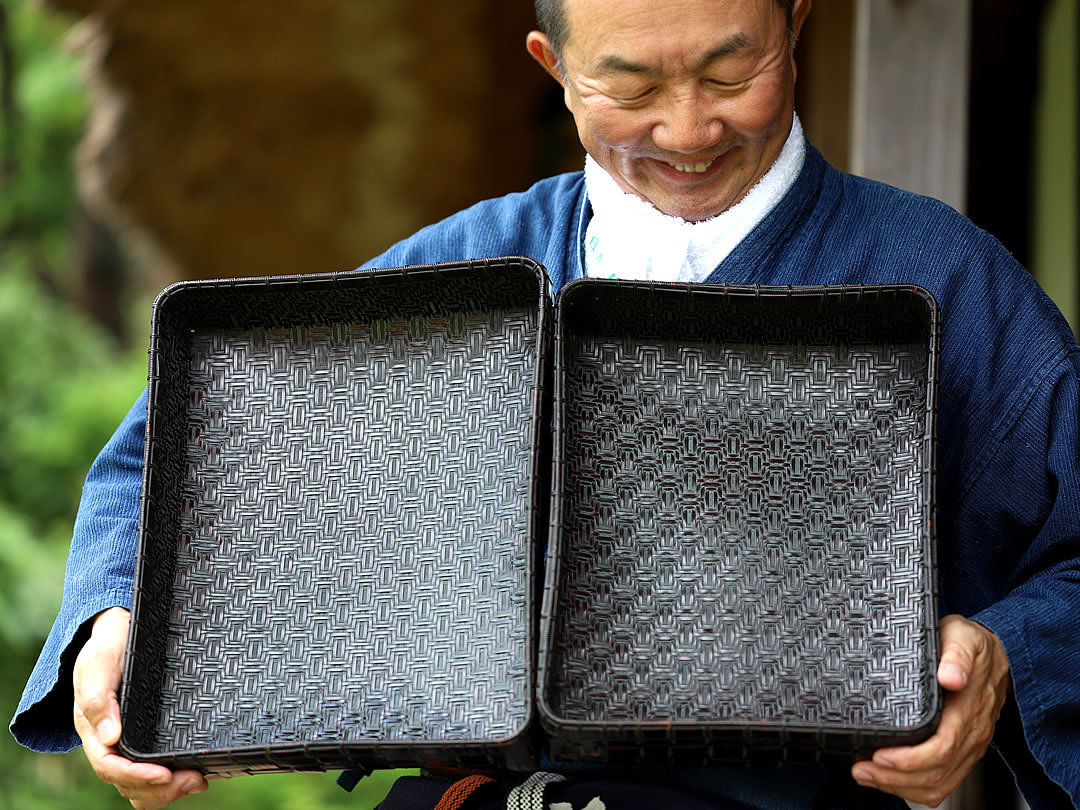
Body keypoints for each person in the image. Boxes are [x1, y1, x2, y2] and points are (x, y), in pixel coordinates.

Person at [10, 0, 1079, 808]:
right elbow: (177, 455)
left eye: (730, 68)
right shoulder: (461, 273)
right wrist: (116, 621)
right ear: (553, 68)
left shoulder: (943, 279)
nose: (691, 128)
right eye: (631, 86)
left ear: (795, 22)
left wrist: (999, 661)